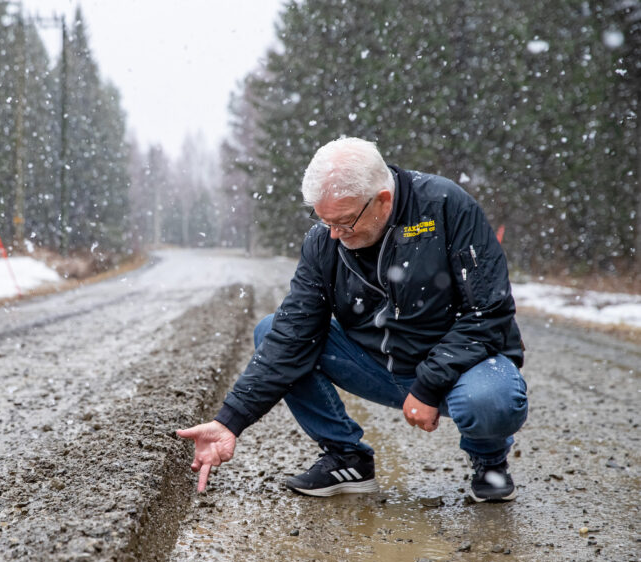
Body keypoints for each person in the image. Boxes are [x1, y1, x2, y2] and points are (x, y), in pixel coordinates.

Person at [177, 137, 528, 502]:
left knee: (491, 399)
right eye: (323, 220)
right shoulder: (324, 240)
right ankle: (347, 458)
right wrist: (229, 421)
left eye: (344, 222)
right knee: (271, 330)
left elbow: (489, 311)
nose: (333, 234)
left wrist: (429, 385)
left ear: (383, 200)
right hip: (376, 366)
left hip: (458, 372)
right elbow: (292, 333)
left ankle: (489, 461)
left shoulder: (445, 207)